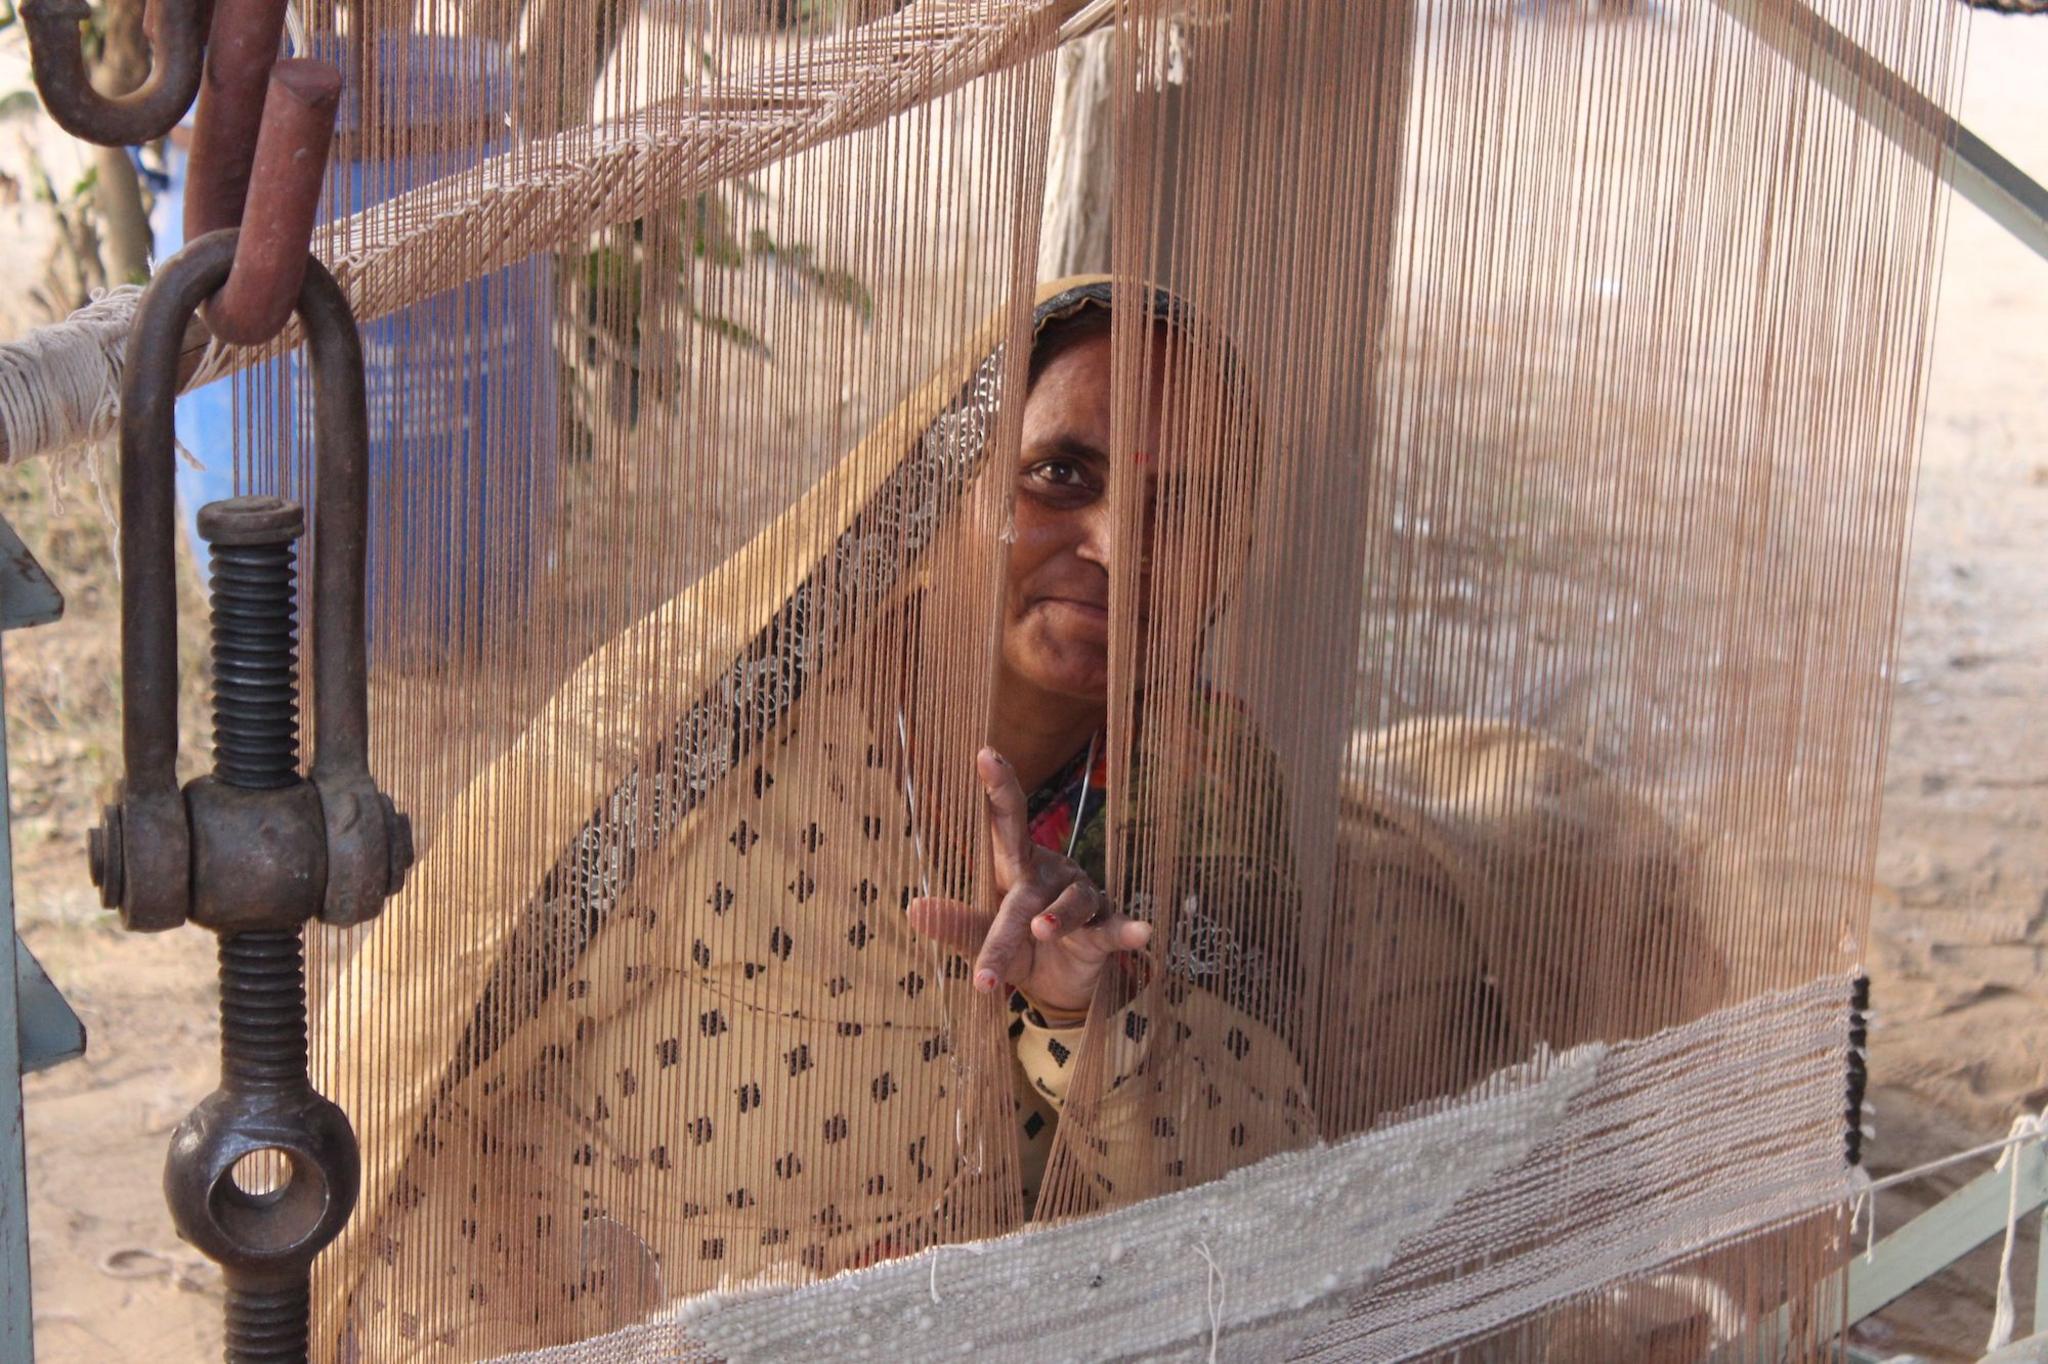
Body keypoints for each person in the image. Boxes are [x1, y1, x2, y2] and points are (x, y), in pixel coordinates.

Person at [319, 279, 1315, 1360]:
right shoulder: (703, 744)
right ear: (944, 488)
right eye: (1059, 474)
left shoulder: (1200, 791)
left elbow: (1266, 1200)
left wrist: (1079, 1018)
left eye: (1184, 508)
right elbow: (409, 1097)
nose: (1117, 547)